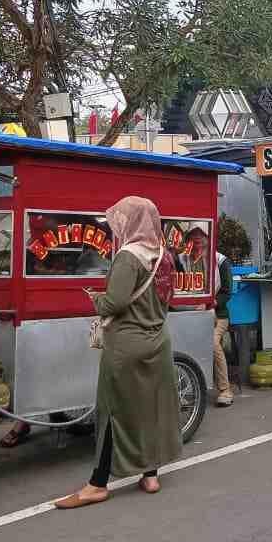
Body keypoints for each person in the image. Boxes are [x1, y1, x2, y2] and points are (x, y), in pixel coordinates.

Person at [55, 197, 182, 509]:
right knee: (149, 409)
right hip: (158, 341)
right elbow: (169, 297)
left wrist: (96, 300)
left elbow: (115, 303)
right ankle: (150, 475)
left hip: (127, 344)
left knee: (113, 411)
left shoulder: (129, 256)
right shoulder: (163, 254)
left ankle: (98, 483)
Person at [212, 244, 234, 407]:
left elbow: (227, 291)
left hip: (219, 316)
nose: (197, 240)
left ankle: (225, 390)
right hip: (192, 313)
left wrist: (212, 302)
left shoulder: (221, 261)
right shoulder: (185, 258)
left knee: (212, 343)